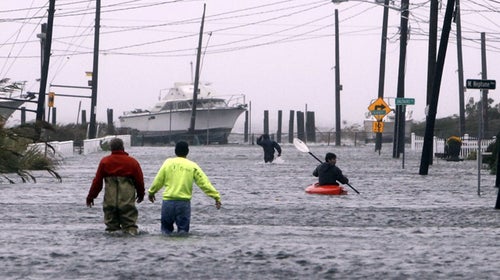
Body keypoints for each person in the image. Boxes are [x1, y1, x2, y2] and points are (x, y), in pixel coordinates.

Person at [148, 141, 221, 235]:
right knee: (183, 233)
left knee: (165, 232)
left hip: (168, 203)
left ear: (175, 151)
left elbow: (158, 180)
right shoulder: (192, 166)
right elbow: (204, 183)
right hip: (183, 204)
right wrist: (216, 197)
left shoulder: (168, 163)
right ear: (187, 151)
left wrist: (151, 192)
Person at [86, 138, 145, 235]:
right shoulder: (132, 162)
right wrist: (141, 194)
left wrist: (91, 197)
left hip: (110, 201)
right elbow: (139, 181)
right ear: (123, 147)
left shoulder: (105, 162)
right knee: (130, 227)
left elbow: (97, 182)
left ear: (111, 148)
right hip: (126, 201)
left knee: (111, 230)